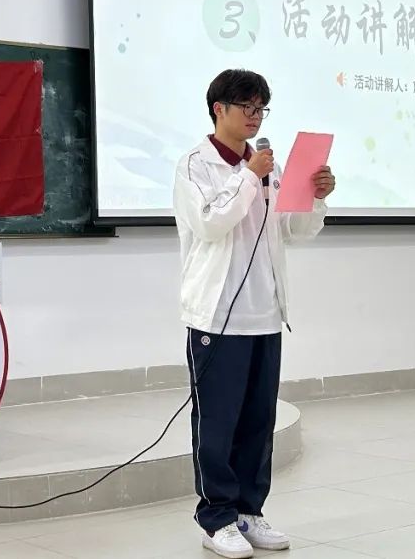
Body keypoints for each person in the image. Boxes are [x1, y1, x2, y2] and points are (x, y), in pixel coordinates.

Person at [173, 69, 335, 559]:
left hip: (265, 314)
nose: (255, 116)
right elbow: (210, 223)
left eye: (261, 107)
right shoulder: (195, 165)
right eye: (246, 106)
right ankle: (217, 517)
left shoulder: (267, 166)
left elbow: (295, 231)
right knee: (217, 424)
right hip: (217, 317)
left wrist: (316, 198)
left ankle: (249, 510)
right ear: (218, 109)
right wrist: (249, 176)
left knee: (258, 423)